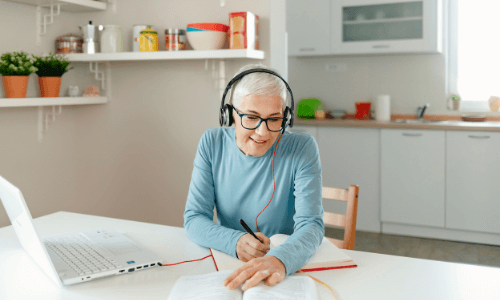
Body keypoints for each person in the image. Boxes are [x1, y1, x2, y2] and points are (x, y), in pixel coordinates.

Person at [184, 64, 324, 291]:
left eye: (274, 119)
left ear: (285, 118)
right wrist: (235, 242)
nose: (263, 132)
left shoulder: (302, 148)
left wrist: (280, 260)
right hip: (229, 265)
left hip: (284, 269)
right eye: (251, 117)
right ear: (230, 114)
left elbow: (312, 225)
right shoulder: (212, 143)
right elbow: (194, 219)